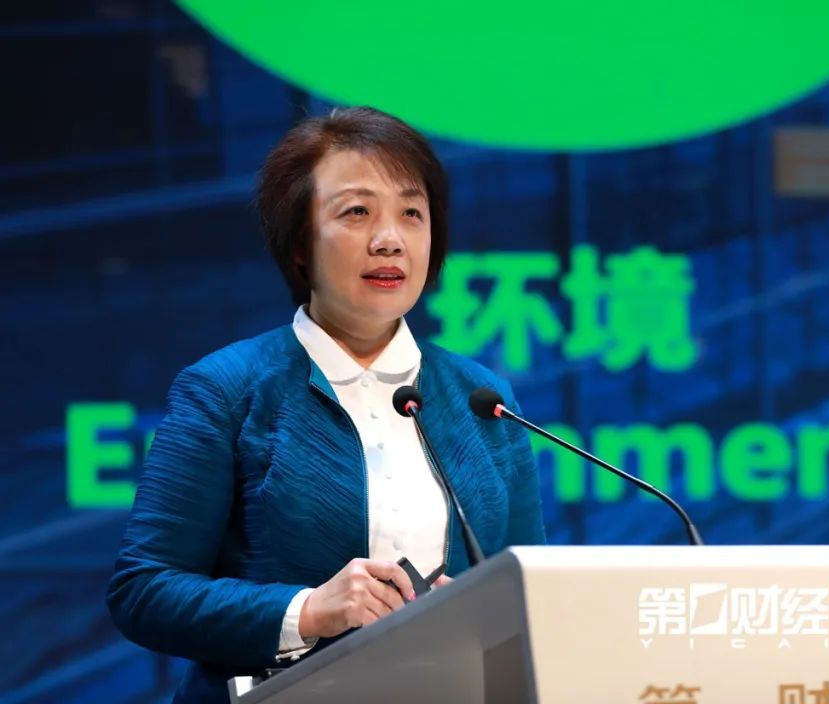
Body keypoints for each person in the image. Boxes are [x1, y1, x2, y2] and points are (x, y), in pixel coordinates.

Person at [106, 106, 546, 703]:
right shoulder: (225, 388)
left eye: (412, 213)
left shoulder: (481, 397)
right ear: (299, 244)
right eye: (357, 212)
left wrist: (476, 609)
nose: (390, 239)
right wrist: (309, 610)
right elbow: (144, 591)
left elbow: (527, 585)